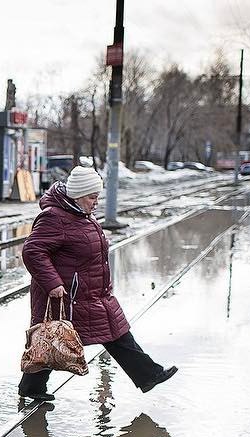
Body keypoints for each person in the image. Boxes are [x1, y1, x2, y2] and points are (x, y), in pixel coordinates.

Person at [19, 165, 177, 402]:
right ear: (78, 194)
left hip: (91, 293)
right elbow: (33, 251)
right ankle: (31, 386)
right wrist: (52, 283)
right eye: (93, 197)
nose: (96, 202)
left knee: (114, 332)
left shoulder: (80, 214)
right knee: (53, 338)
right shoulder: (54, 217)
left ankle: (148, 375)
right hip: (65, 295)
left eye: (97, 197)